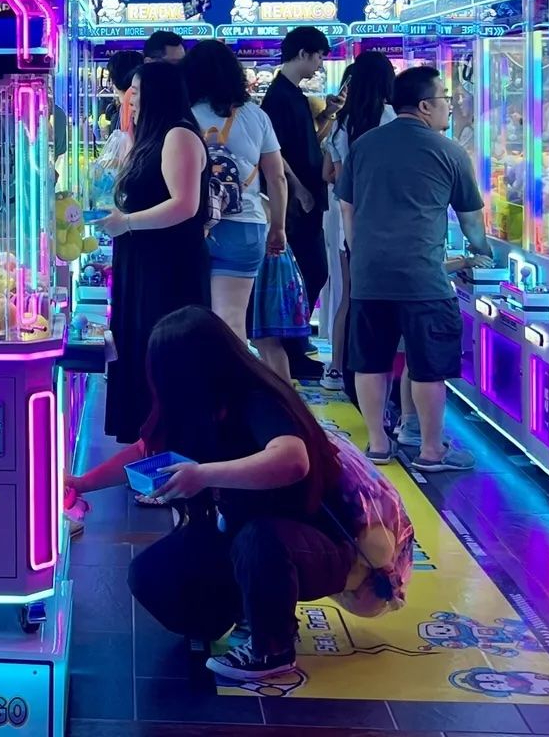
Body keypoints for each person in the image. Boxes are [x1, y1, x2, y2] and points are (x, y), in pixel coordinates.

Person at [68, 307, 350, 680]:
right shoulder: (197, 407)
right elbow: (144, 452)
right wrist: (82, 483)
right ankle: (244, 610)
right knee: (151, 576)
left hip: (315, 544)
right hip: (242, 536)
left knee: (259, 539)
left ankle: (273, 647)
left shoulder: (257, 398)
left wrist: (202, 475)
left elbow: (292, 459)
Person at [336, 65, 490, 471]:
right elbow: (473, 221)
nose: (449, 109)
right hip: (424, 276)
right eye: (444, 100)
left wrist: (361, 251)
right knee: (427, 366)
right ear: (424, 105)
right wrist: (481, 252)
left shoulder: (364, 146)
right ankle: (431, 450)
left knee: (370, 361)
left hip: (370, 273)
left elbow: (347, 210)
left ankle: (377, 443)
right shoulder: (449, 151)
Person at [98, 60, 209, 443]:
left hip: (167, 266)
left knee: (164, 355)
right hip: (142, 261)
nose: (132, 98)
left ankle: (170, 454)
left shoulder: (179, 135)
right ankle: (150, 450)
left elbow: (184, 205)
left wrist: (127, 223)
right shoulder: (150, 135)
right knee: (143, 349)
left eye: (139, 91)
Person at [184, 40, 288, 367]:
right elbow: (277, 177)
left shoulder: (182, 115)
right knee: (231, 317)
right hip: (246, 225)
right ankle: (232, 398)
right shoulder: (256, 117)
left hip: (192, 224)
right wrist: (279, 227)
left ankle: (194, 391)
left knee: (188, 315)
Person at [260, 27, 336, 382]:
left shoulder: (293, 95)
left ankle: (297, 345)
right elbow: (274, 154)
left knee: (310, 273)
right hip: (295, 204)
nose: (320, 64)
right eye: (319, 56)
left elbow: (303, 144)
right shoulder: (278, 97)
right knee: (307, 273)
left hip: (306, 197)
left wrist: (326, 118)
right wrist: (299, 189)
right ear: (303, 53)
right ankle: (292, 347)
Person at [322, 51, 396, 397]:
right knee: (385, 302)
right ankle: (380, 374)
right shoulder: (392, 119)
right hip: (384, 219)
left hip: (343, 216)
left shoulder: (341, 123)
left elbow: (329, 174)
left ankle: (337, 366)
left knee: (348, 296)